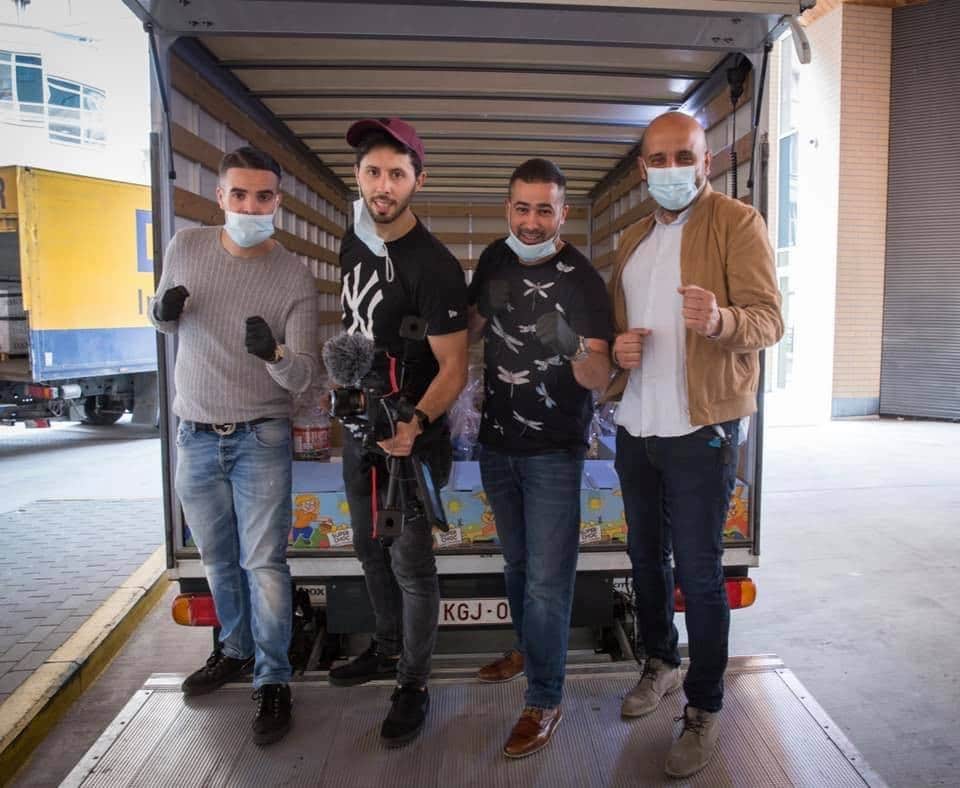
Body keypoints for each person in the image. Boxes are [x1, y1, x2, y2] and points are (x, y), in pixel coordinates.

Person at [604, 111, 783, 778]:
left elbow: (770, 320)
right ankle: (660, 661)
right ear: (642, 168)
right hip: (637, 425)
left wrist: (720, 319)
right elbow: (621, 331)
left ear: (706, 162)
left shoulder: (737, 223)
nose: (672, 168)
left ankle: (704, 705)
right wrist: (619, 353)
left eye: (685, 156)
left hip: (701, 427)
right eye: (659, 158)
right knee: (644, 558)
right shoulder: (632, 239)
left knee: (700, 572)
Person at [150, 146, 318, 746]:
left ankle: (273, 680)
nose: (250, 207)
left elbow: (303, 377)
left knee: (263, 563)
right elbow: (165, 322)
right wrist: (160, 312)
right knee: (217, 558)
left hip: (260, 436)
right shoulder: (185, 248)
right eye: (239, 195)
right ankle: (235, 648)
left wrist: (274, 353)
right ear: (220, 196)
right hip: (194, 434)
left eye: (263, 196)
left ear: (278, 202)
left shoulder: (294, 275)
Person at [328, 118, 469, 748]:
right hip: (361, 431)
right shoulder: (353, 241)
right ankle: (386, 647)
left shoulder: (433, 266)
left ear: (418, 180)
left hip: (411, 442)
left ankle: (413, 684)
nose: (382, 185)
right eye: (372, 172)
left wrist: (414, 424)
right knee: (368, 548)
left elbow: (455, 367)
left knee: (411, 564)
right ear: (358, 177)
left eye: (396, 173)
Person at [467, 158, 612, 758]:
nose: (531, 222)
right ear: (508, 208)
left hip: (554, 450)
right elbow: (466, 333)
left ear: (563, 213)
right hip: (497, 445)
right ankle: (528, 650)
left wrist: (572, 345)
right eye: (522, 208)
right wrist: (473, 309)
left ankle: (545, 698)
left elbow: (599, 375)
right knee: (518, 565)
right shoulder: (493, 259)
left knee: (549, 583)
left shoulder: (583, 280)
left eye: (544, 210)